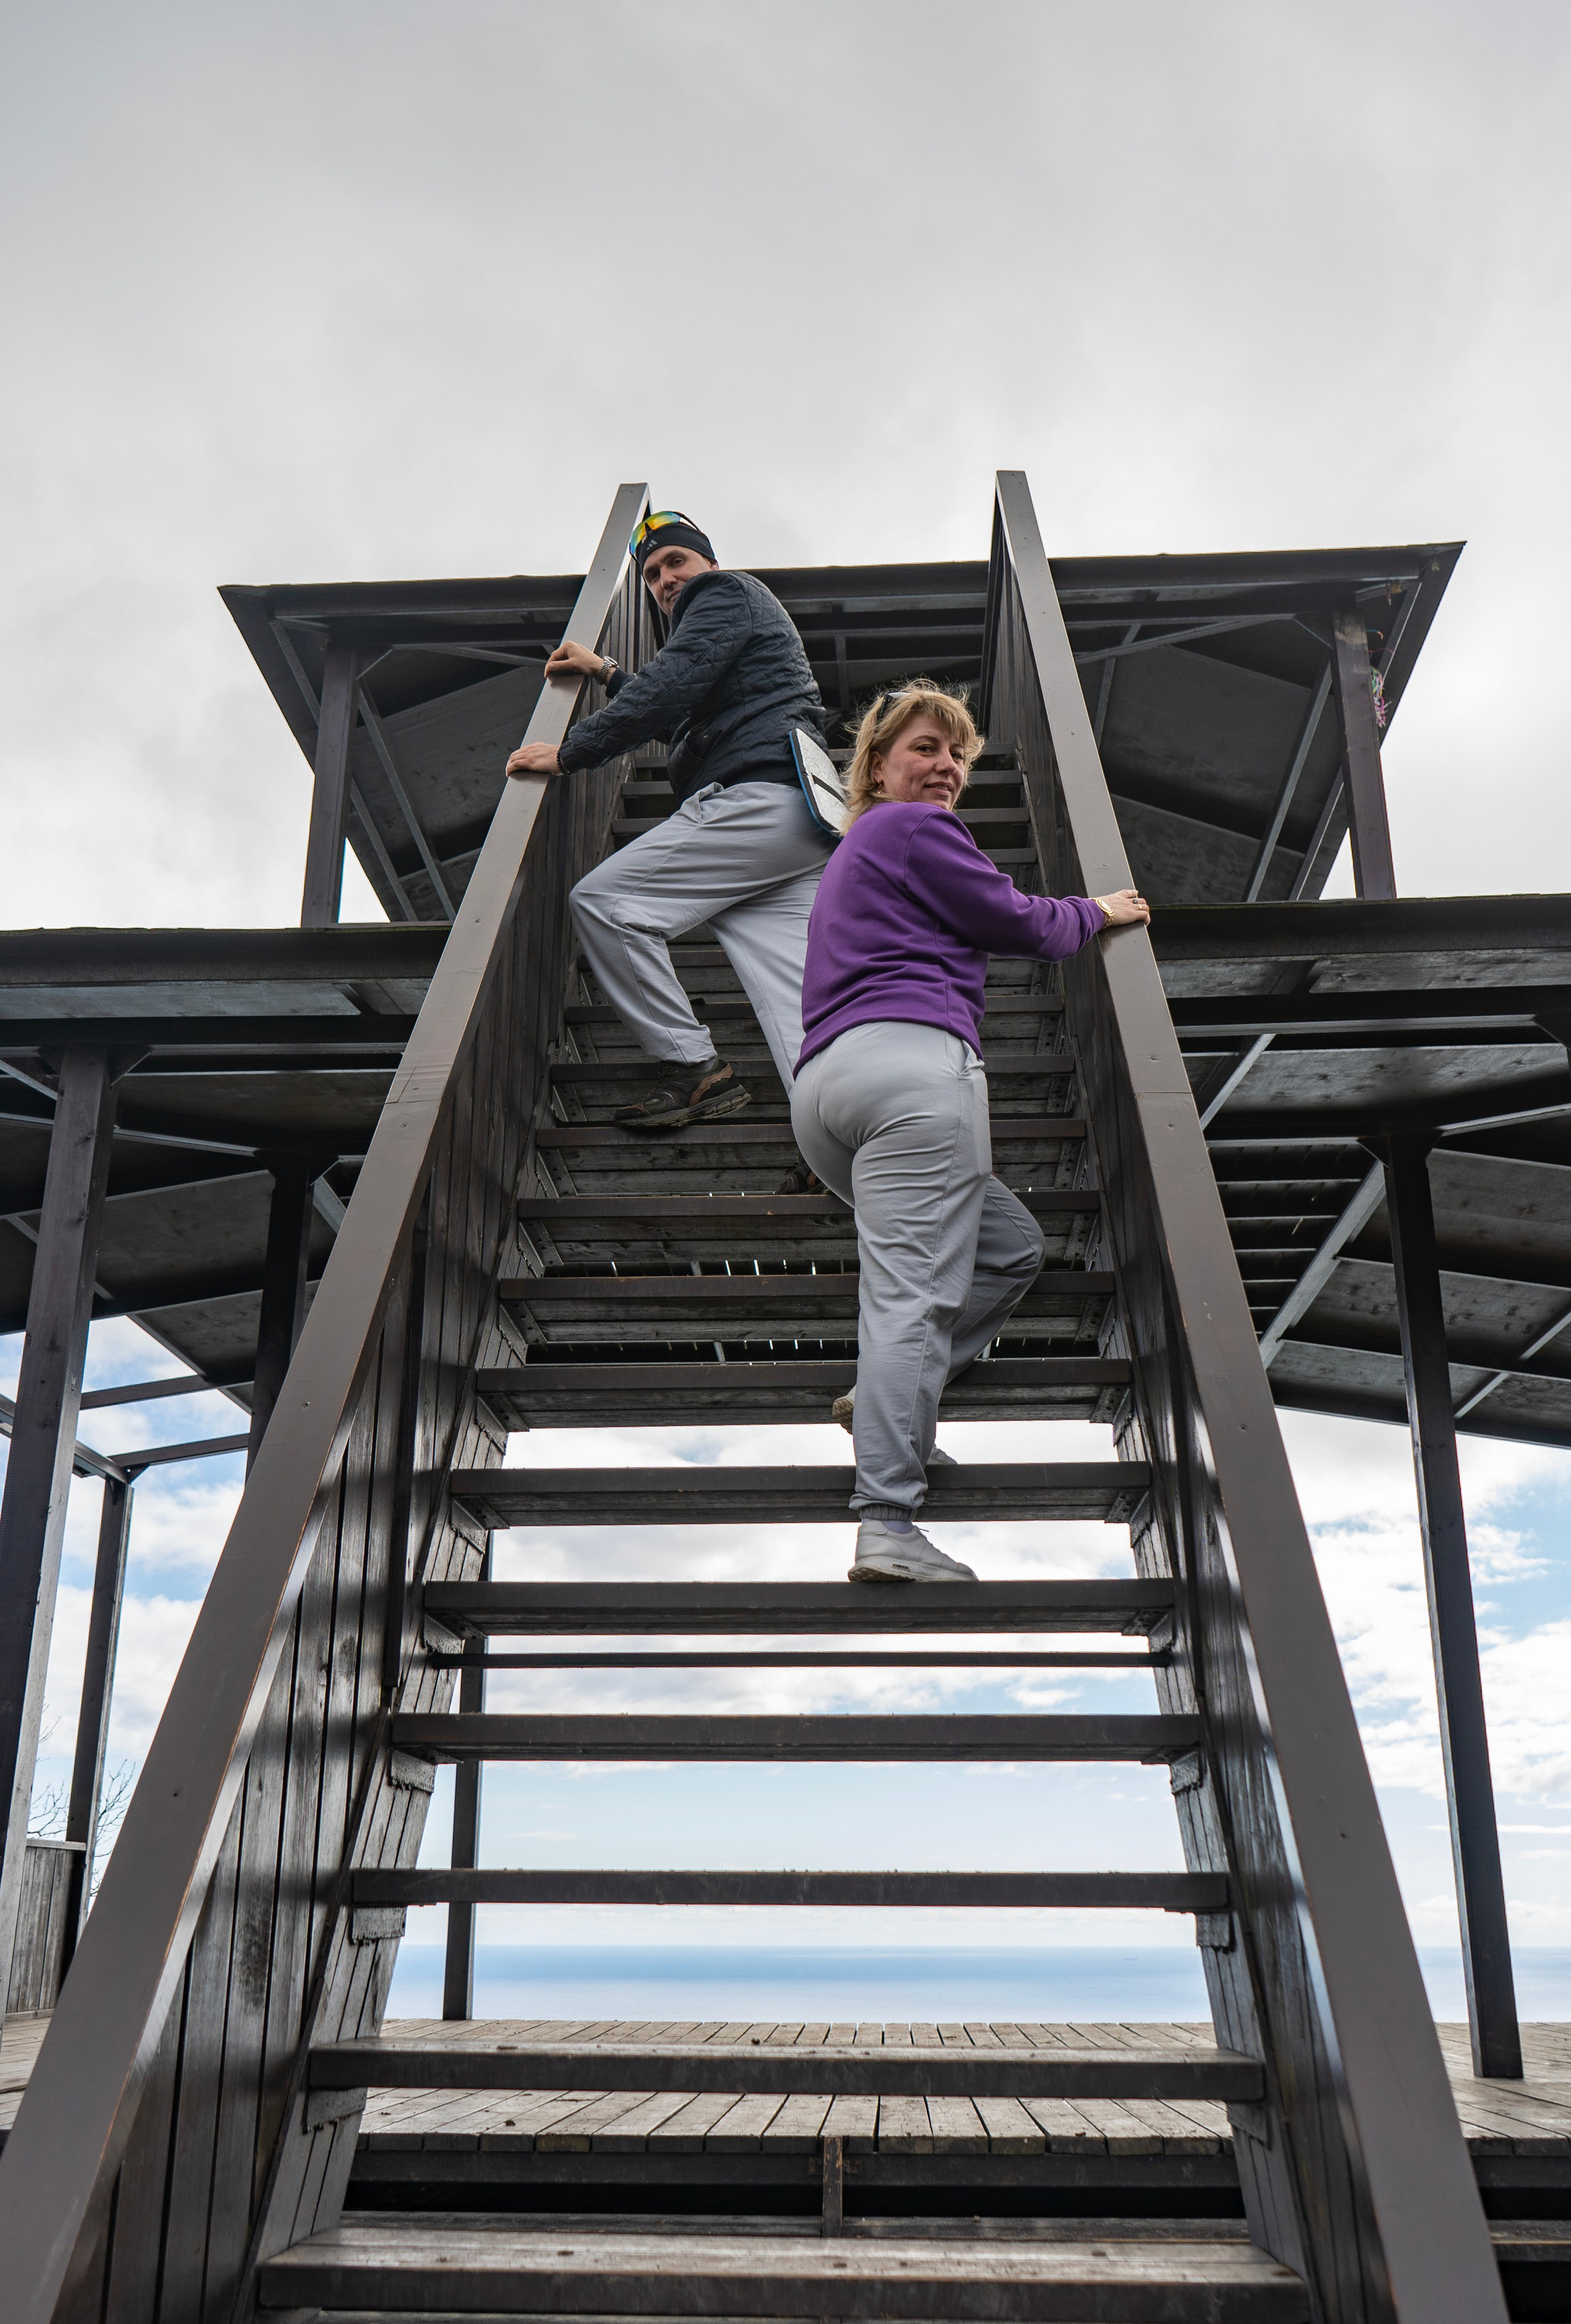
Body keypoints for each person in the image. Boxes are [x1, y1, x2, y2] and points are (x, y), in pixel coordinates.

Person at [789, 682, 1149, 1585]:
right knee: (910, 1298)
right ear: (877, 767)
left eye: (957, 756)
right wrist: (1097, 912)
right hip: (913, 1073)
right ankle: (886, 1523)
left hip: (830, 1092)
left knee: (1010, 1246)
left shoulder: (855, 855)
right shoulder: (912, 830)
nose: (945, 767)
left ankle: (889, 1397)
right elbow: (1014, 918)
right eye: (923, 749)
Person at [506, 510, 832, 1128]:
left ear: (707, 562)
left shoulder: (724, 590)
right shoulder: (733, 633)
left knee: (607, 902)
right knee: (794, 1000)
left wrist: (572, 751)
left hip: (757, 794)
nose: (664, 579)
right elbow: (681, 711)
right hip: (801, 818)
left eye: (676, 562)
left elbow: (672, 682)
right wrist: (605, 672)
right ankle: (835, 1140)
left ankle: (693, 1068)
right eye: (652, 573)